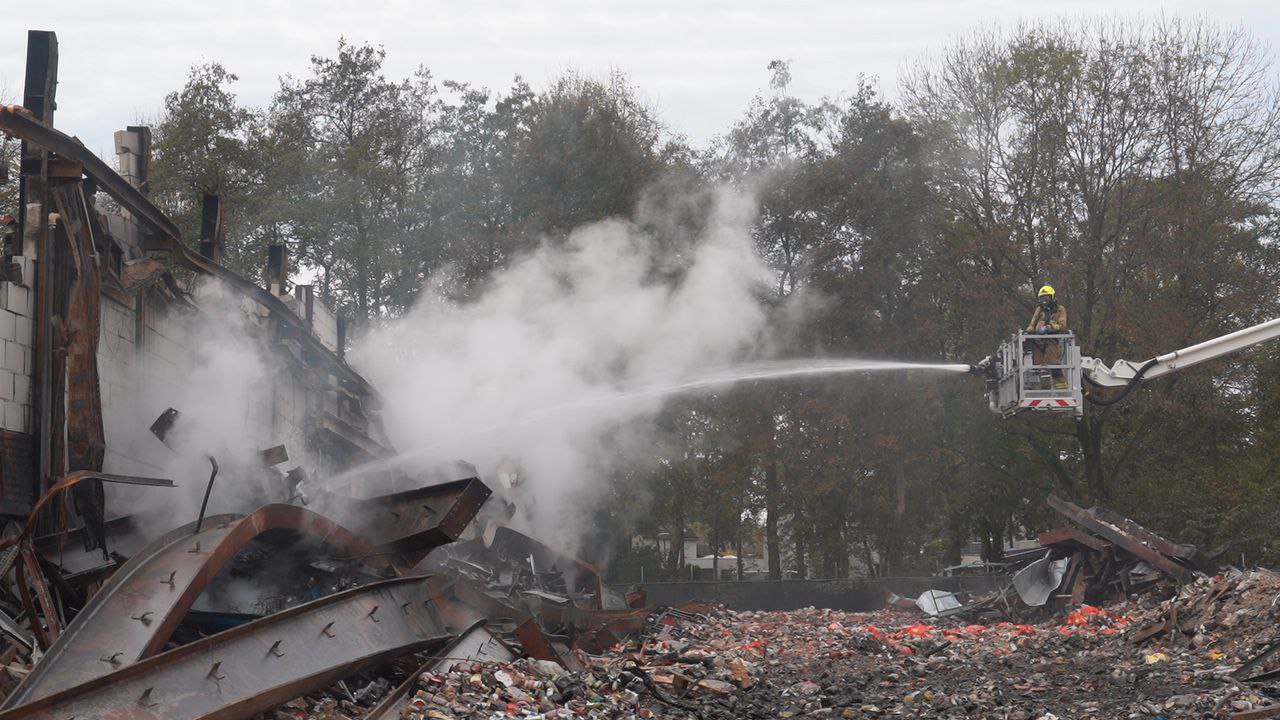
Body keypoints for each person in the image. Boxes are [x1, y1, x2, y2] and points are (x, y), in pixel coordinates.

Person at [1026, 285, 1068, 390]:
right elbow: (1032, 324)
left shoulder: (1060, 309)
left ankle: (1061, 390)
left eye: (1046, 298)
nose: (1044, 301)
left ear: (1052, 297)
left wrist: (1049, 327)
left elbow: (1062, 325)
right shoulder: (1039, 310)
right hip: (1038, 342)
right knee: (1037, 366)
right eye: (1042, 298)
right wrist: (1028, 332)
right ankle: (1040, 389)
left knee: (1054, 365)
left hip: (1052, 341)